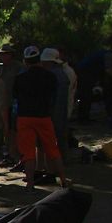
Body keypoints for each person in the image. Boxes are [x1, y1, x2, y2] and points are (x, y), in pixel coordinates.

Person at [13, 46, 68, 190]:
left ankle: (30, 184)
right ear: (40, 60)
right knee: (52, 149)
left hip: (24, 117)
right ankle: (63, 179)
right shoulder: (50, 77)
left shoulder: (20, 78)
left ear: (25, 61)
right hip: (43, 116)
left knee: (28, 153)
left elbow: (15, 97)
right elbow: (53, 97)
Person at [0, 44, 23, 164]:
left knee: (14, 129)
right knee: (4, 129)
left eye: (6, 54)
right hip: (2, 102)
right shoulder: (0, 68)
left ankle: (16, 154)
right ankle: (7, 152)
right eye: (2, 55)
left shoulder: (18, 67)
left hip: (14, 102)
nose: (4, 57)